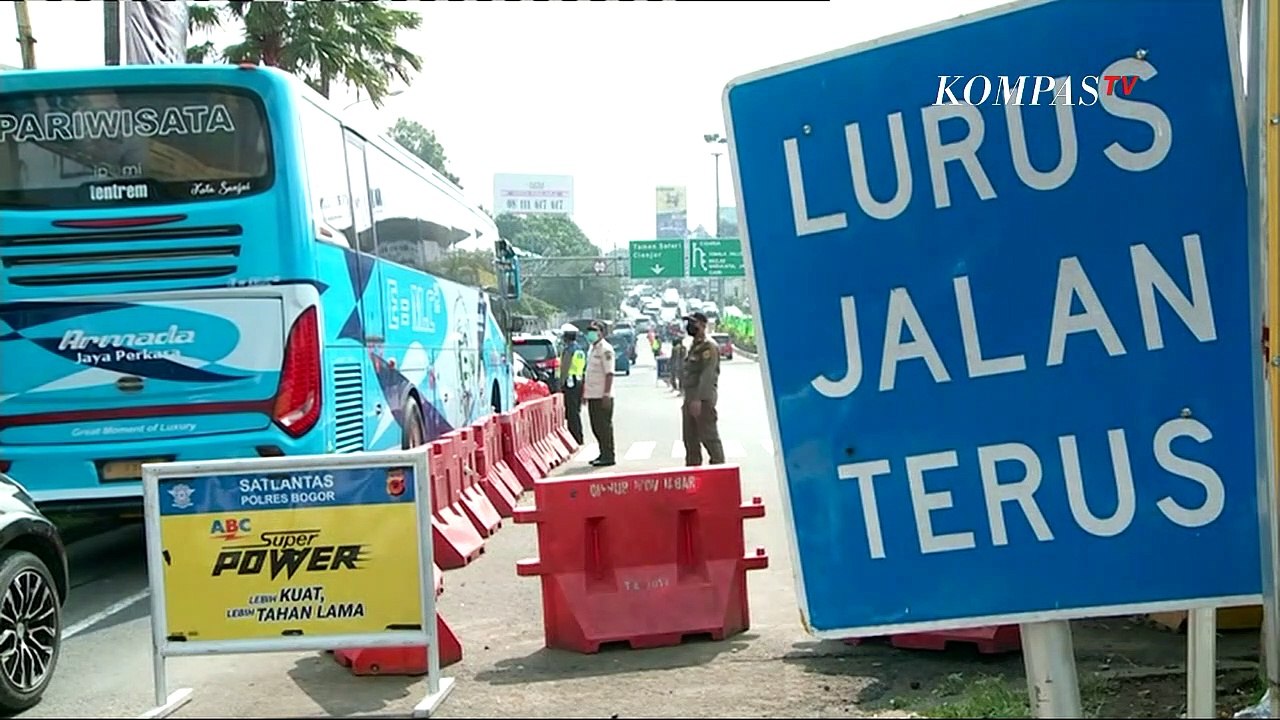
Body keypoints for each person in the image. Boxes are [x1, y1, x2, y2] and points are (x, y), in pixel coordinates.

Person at [680, 312, 724, 466]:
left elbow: (708, 374)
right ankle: (693, 476)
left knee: (709, 437)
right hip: (690, 398)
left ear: (703, 325)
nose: (690, 326)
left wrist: (698, 399)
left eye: (694, 323)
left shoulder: (708, 346)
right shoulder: (694, 346)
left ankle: (720, 474)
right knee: (690, 439)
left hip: (702, 399)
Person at [582, 320, 616, 467]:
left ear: (601, 333)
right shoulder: (592, 349)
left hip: (602, 396)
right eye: (589, 330)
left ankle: (609, 455)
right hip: (592, 395)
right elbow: (588, 373)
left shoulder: (605, 349)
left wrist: (606, 394)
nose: (591, 333)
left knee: (604, 426)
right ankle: (603, 453)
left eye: (594, 330)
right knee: (596, 427)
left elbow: (609, 373)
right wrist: (584, 392)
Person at [557, 323, 587, 444]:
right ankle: (578, 436)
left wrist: (560, 384)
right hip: (578, 381)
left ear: (566, 337)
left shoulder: (569, 350)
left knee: (571, 412)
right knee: (576, 411)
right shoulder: (579, 349)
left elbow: (564, 369)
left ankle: (575, 437)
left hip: (570, 383)